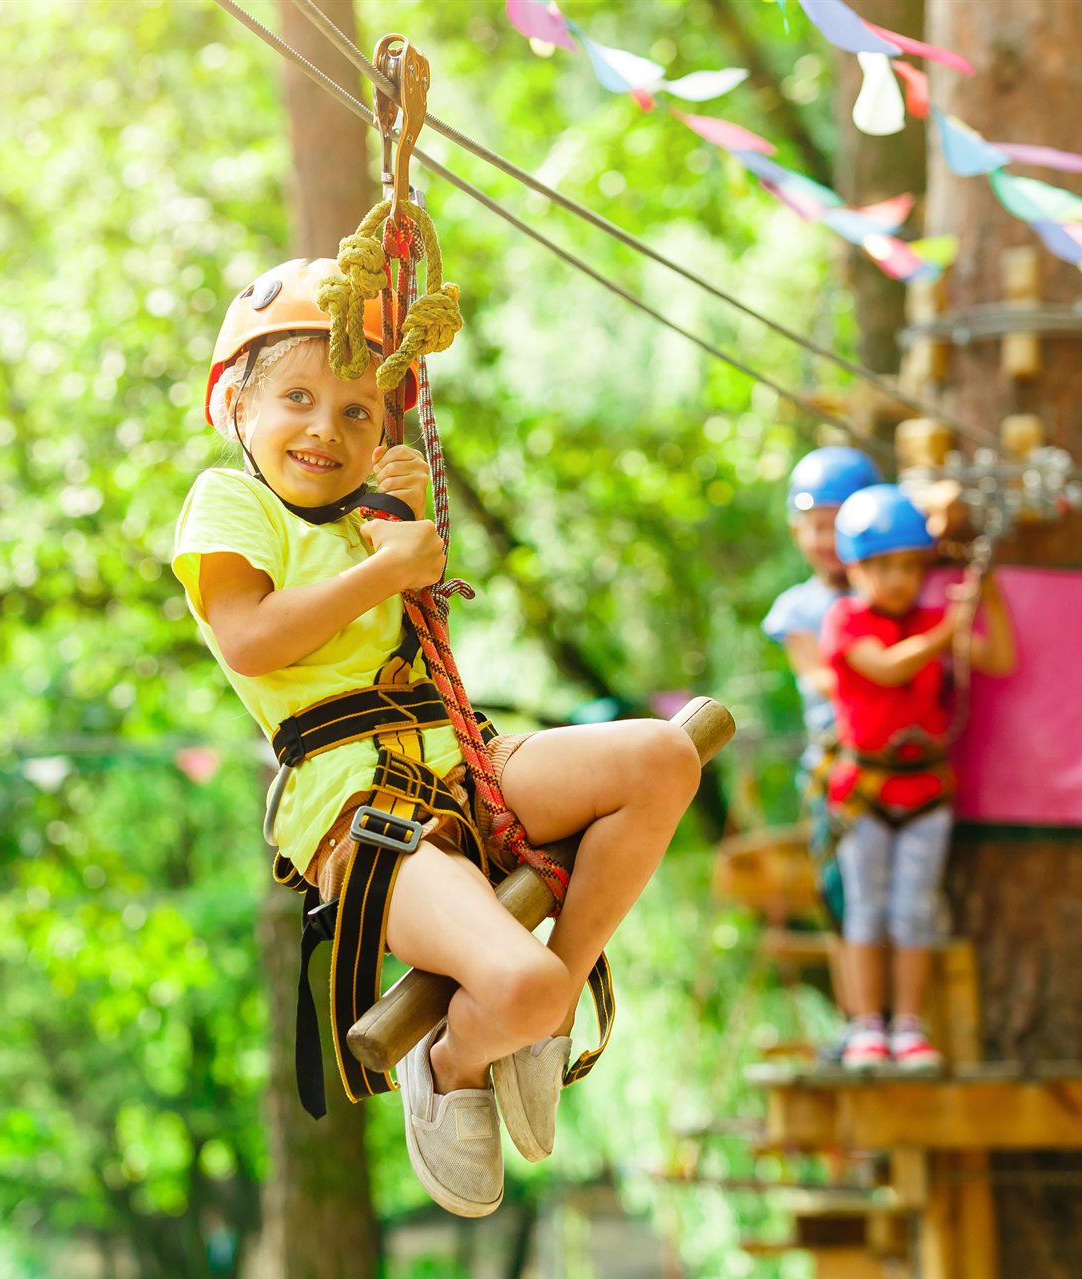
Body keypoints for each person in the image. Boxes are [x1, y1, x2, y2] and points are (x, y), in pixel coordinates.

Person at [172, 259, 700, 1216]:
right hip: (359, 806)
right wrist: (389, 564)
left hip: (460, 755)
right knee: (520, 983)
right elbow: (249, 637)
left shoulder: (372, 525)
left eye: (360, 412)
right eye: (296, 397)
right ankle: (452, 1063)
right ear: (236, 408)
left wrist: (400, 529)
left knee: (662, 755)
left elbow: (412, 630)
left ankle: (546, 1010)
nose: (326, 428)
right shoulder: (229, 501)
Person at [821, 483, 1014, 1069]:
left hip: (926, 792)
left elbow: (1000, 658)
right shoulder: (846, 622)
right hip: (866, 793)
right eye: (882, 567)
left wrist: (988, 595)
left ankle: (908, 1025)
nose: (898, 579)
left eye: (909, 566)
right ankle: (865, 1027)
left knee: (913, 910)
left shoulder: (933, 619)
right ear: (855, 569)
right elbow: (886, 667)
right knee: (866, 909)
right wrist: (947, 629)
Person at [761, 445, 879, 1062]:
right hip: (840, 772)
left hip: (906, 769)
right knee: (842, 898)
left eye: (838, 524)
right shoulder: (802, 609)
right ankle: (860, 1021)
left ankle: (896, 1023)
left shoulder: (893, 594)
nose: (825, 539)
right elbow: (823, 680)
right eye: (814, 526)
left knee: (902, 902)